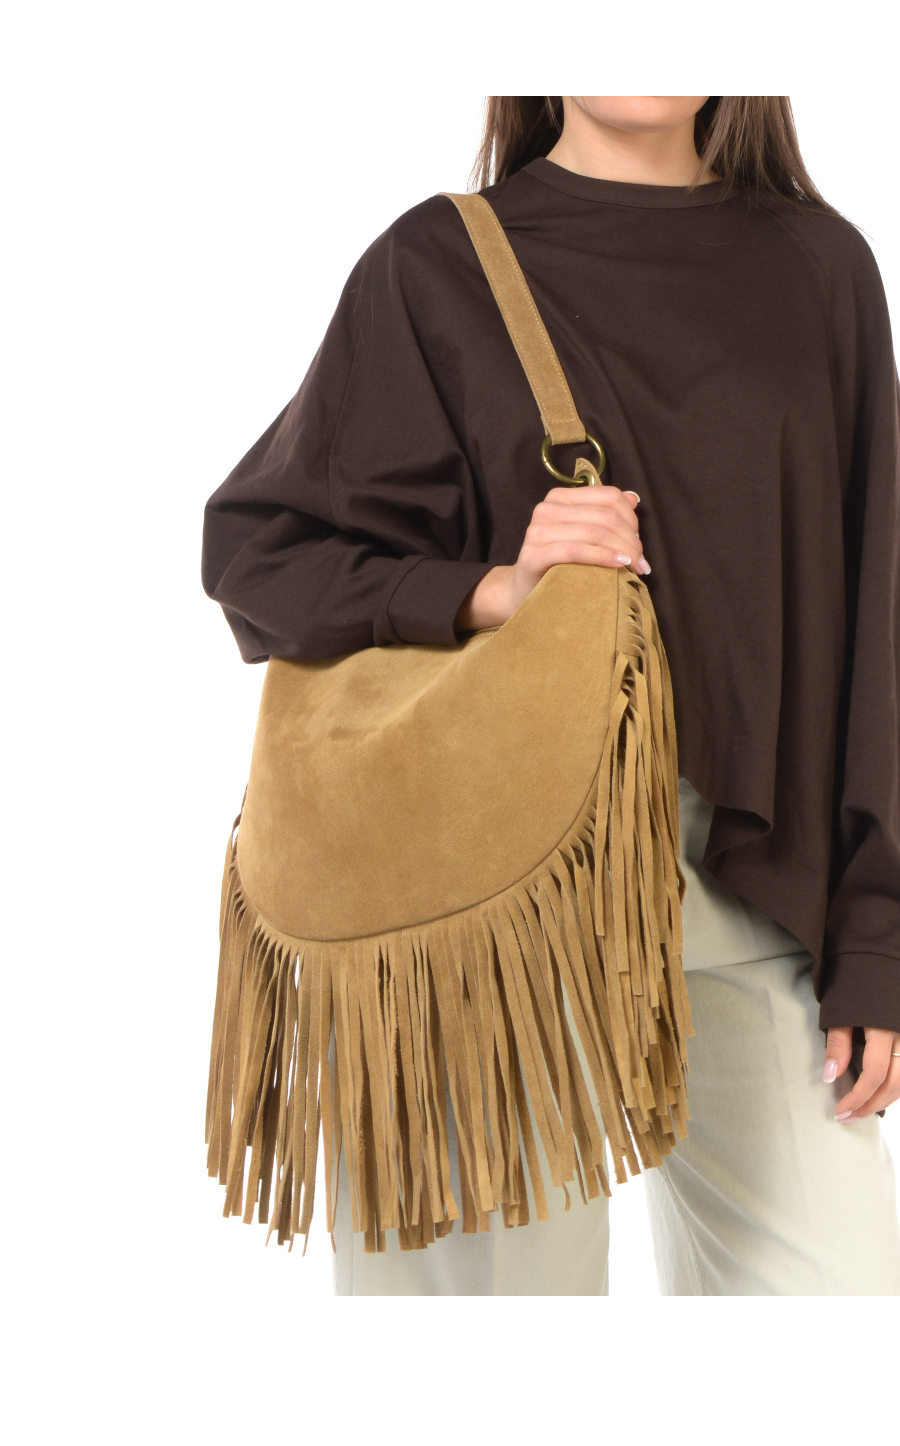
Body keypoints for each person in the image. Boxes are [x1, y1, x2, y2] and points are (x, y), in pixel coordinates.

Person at [202, 96, 900, 1295]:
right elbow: (257, 552)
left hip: (755, 889)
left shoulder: (818, 266)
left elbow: (875, 611)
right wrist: (491, 590)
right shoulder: (434, 265)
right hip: (492, 906)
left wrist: (878, 937)